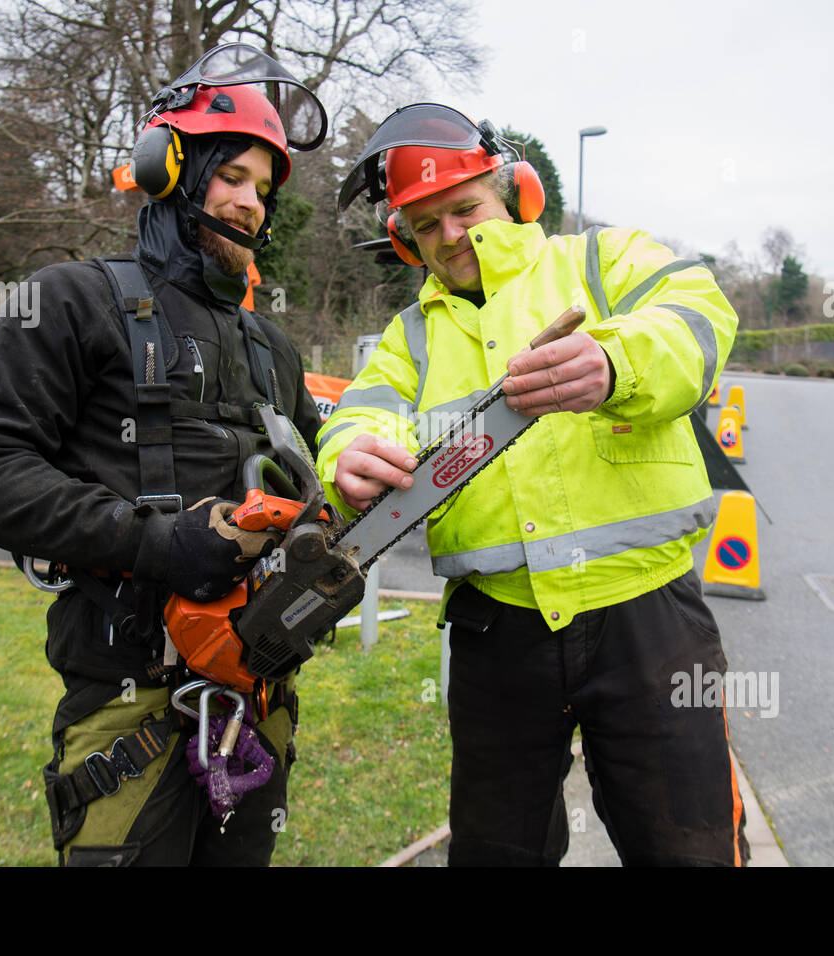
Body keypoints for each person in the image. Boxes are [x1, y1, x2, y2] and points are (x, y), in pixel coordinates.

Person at [321, 103, 750, 866]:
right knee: (495, 853)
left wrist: (618, 360)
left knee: (694, 849)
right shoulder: (409, 339)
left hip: (647, 617)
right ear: (403, 239)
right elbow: (361, 415)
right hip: (498, 633)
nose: (450, 236)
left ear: (514, 192)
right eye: (426, 225)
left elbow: (700, 316)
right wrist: (350, 456)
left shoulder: (603, 263)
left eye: (464, 209)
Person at [0, 45, 327, 866]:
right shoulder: (70, 299)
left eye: (263, 189)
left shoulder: (274, 348)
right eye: (232, 177)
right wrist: (158, 540)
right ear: (168, 170)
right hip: (129, 699)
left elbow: (313, 492)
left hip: (257, 702)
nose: (251, 203)